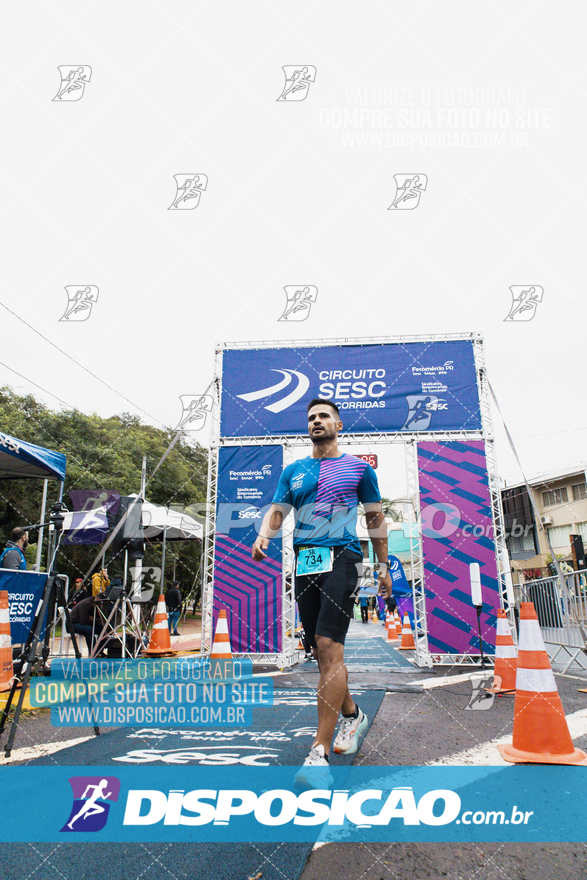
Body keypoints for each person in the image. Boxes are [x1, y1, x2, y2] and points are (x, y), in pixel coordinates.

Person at [252, 398, 391, 785]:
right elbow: (278, 510)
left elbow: (375, 517)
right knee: (318, 648)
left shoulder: (358, 469)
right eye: (311, 417)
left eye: (323, 416)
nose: (316, 421)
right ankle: (352, 714)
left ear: (339, 425)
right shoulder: (294, 471)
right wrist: (265, 534)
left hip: (344, 557)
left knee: (330, 648)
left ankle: (319, 754)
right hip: (305, 561)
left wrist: (382, 565)